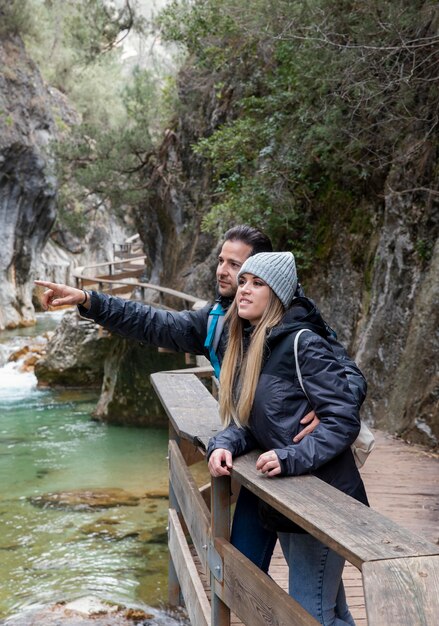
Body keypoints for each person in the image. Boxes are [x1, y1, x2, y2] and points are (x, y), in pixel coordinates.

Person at [35, 226, 365, 577]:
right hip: (258, 453)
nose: (222, 270)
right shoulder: (219, 323)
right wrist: (91, 301)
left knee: (310, 592)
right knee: (243, 574)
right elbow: (154, 323)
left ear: (266, 274)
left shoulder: (293, 323)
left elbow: (347, 373)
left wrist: (328, 408)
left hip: (302, 466)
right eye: (221, 260)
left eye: (235, 265)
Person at [207, 251, 368, 626]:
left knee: (310, 613)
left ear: (277, 294)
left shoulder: (302, 344)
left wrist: (289, 457)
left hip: (326, 501)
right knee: (330, 610)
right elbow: (257, 421)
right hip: (291, 503)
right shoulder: (259, 343)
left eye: (257, 284)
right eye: (243, 282)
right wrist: (224, 444)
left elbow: (342, 420)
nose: (244, 290)